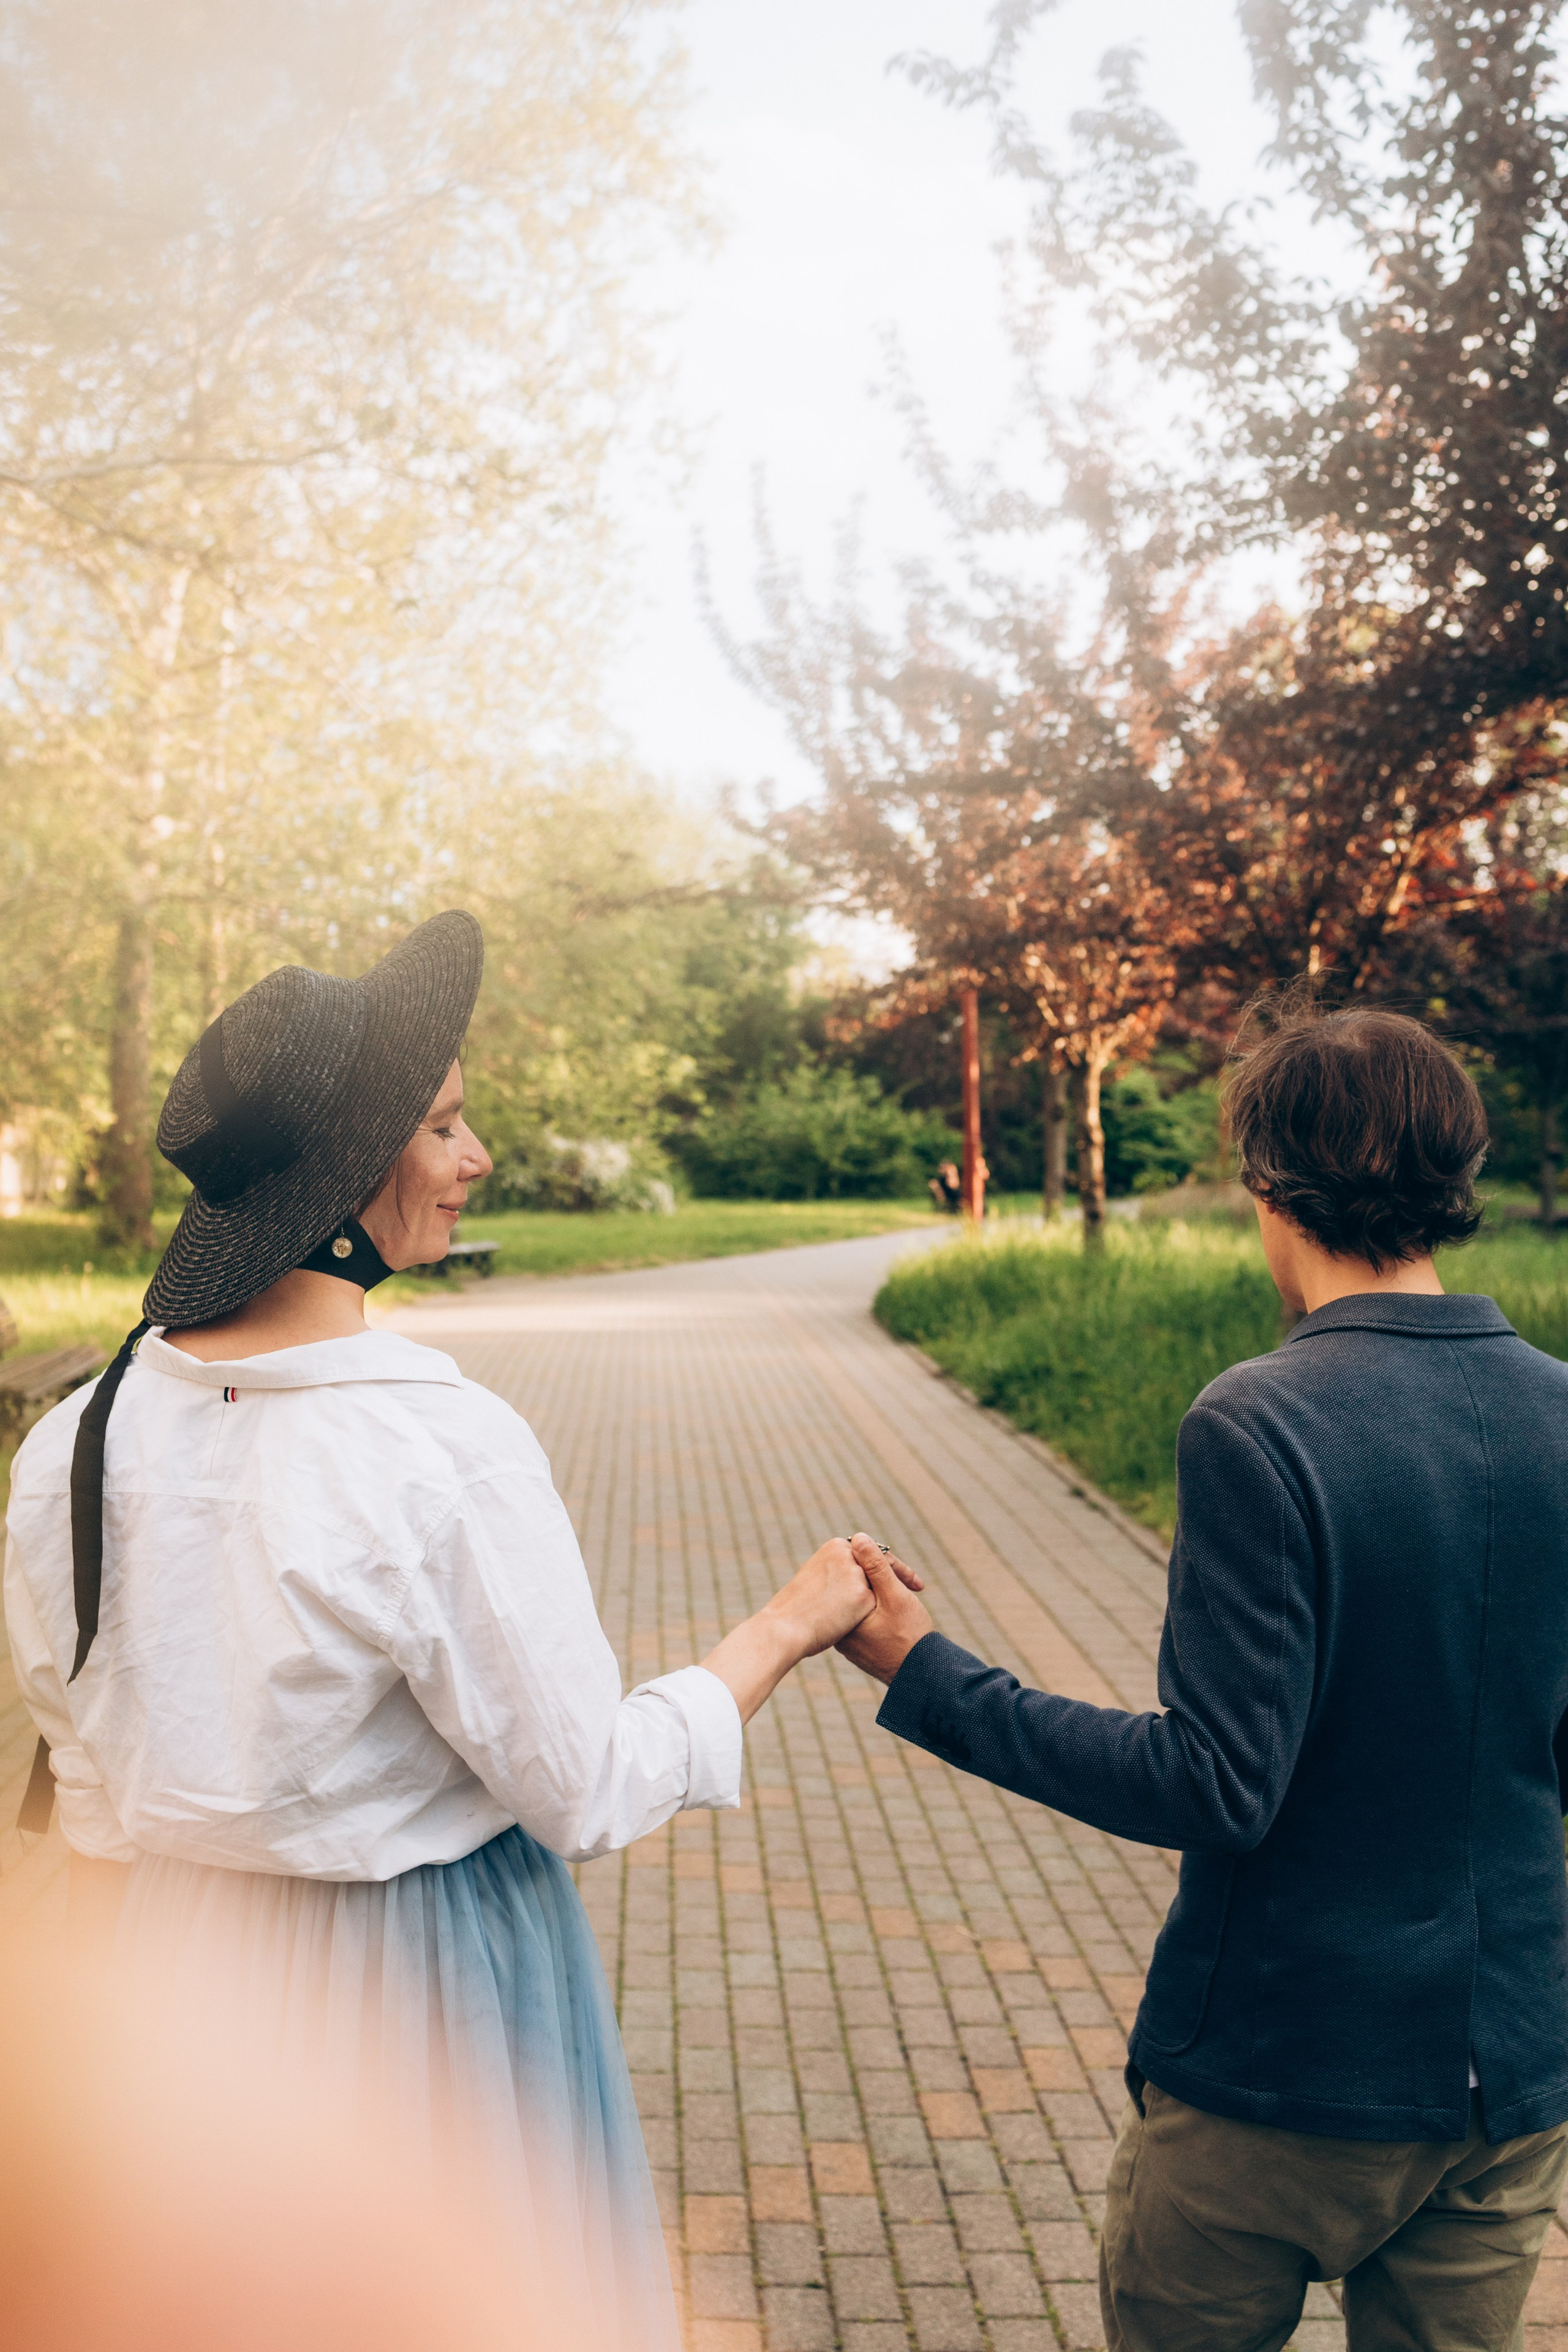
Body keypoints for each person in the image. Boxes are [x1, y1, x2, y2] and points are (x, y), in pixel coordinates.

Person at [4, 911, 888, 2351]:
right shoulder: (434, 1445)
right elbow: (583, 1784)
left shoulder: (72, 1443)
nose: (474, 1159)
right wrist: (785, 1628)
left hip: (167, 1984)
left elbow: (89, 1796)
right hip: (417, 1993)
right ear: (348, 1183)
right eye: (443, 1123)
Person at [834, 999, 1568, 2352]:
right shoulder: (1559, 1408)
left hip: (1277, 2083)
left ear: (1270, 1189)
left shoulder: (1259, 1421)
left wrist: (923, 1672)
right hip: (1507, 2089)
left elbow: (1215, 1783)